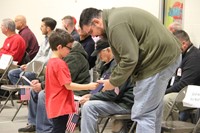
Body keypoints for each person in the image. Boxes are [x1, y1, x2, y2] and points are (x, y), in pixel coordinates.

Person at [79, 7, 182, 133]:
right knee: (152, 112)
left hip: (157, 61)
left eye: (91, 32)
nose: (94, 36)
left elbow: (129, 59)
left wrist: (112, 82)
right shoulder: (115, 18)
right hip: (164, 59)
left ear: (96, 22)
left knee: (143, 114)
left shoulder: (115, 24)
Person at [18, 41, 91, 133]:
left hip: (73, 90)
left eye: (69, 48)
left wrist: (42, 85)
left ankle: (45, 129)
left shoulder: (74, 58)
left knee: (43, 95)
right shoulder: (59, 60)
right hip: (63, 88)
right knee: (34, 91)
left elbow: (66, 81)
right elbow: (54, 76)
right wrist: (40, 81)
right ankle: (34, 123)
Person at [45, 28, 97, 133]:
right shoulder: (60, 64)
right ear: (59, 47)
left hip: (54, 102)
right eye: (69, 48)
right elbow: (68, 85)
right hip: (60, 104)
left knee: (58, 128)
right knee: (59, 129)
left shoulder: (51, 62)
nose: (70, 51)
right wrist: (89, 86)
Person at [80, 38, 134, 133]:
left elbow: (112, 94)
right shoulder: (109, 64)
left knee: (89, 106)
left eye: (99, 53)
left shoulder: (118, 65)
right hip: (117, 101)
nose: (98, 57)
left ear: (108, 50)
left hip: (124, 104)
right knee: (87, 104)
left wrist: (92, 98)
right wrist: (91, 95)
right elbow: (103, 86)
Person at [163, 30, 200, 121]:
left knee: (167, 99)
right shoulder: (182, 55)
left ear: (183, 44)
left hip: (192, 94)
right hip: (182, 91)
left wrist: (164, 92)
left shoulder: (194, 57)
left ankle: (170, 128)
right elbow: (173, 78)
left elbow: (184, 84)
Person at [8, 17, 57, 86]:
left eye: (42, 26)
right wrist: (28, 65)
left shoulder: (54, 41)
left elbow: (48, 59)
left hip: (42, 68)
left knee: (24, 75)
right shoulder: (44, 40)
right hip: (35, 66)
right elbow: (38, 55)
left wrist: (32, 67)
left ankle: (26, 94)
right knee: (12, 73)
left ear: (48, 29)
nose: (40, 28)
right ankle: (24, 93)